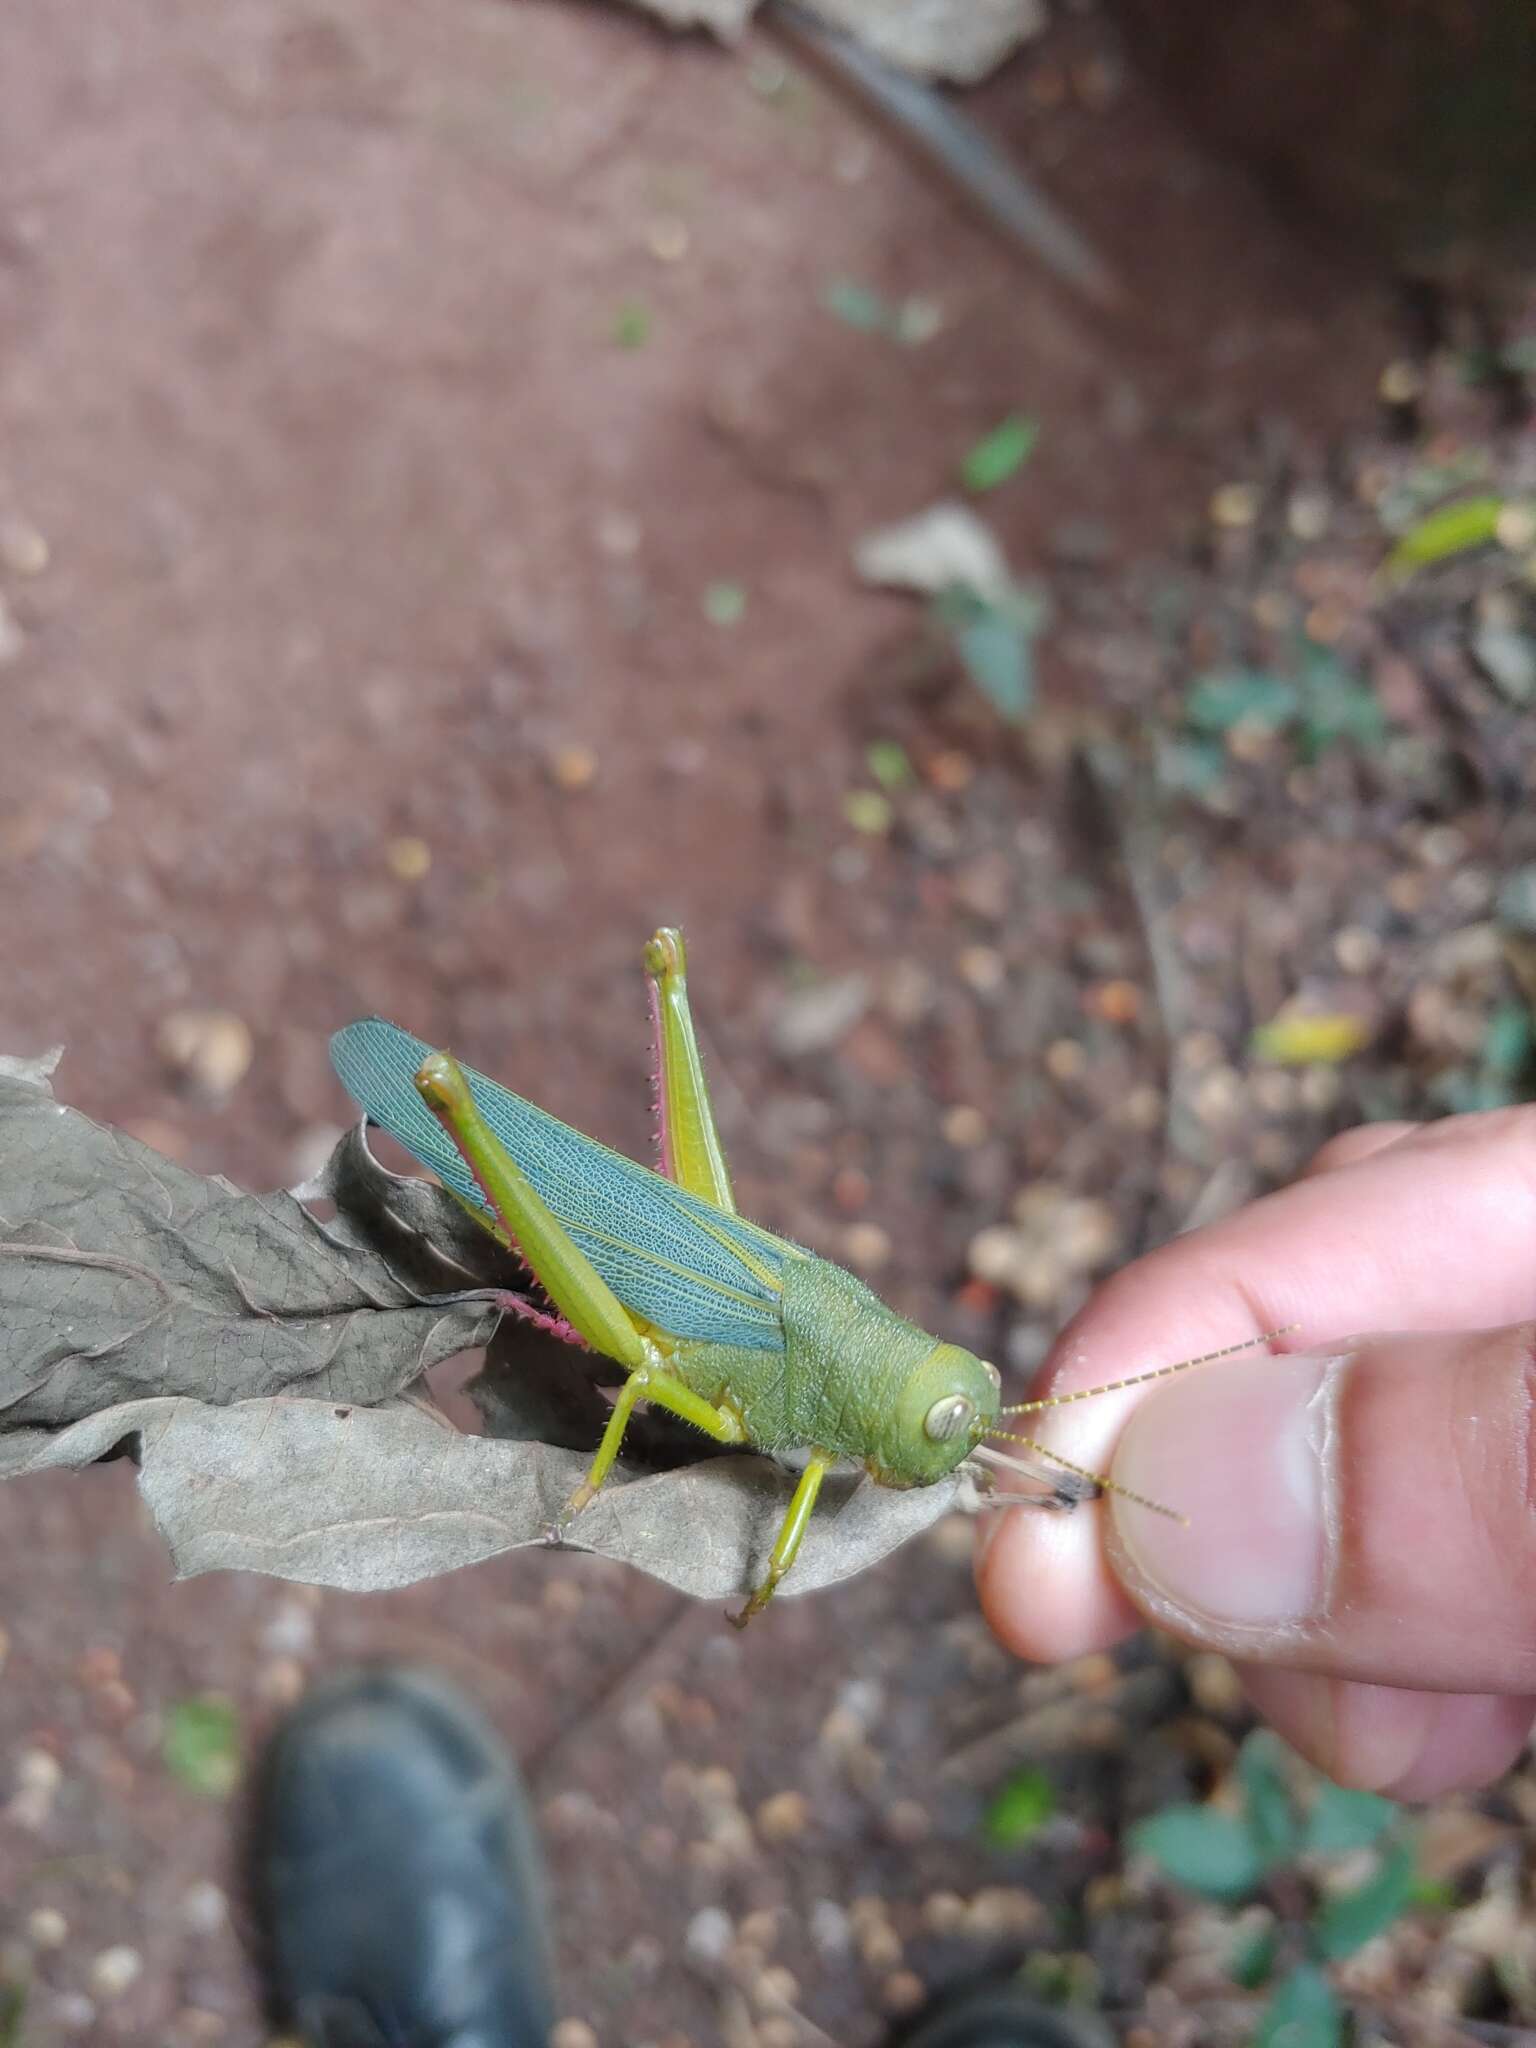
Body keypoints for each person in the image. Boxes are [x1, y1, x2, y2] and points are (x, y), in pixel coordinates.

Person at [250, 1106, 1536, 2042]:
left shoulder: (888, 1405)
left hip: (773, 1320)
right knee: (643, 1358)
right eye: (949, 1415)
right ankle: (455, 1115)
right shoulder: (835, 1425)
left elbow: (842, 1457)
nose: (954, 1431)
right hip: (660, 1313)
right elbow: (788, 1461)